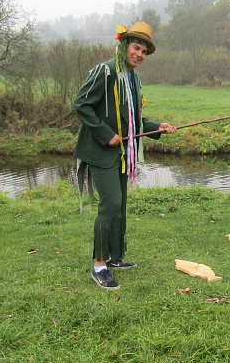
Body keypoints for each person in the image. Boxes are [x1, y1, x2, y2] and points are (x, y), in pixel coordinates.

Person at [73, 22, 177, 290]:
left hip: (121, 153)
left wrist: (157, 127)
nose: (139, 54)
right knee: (110, 204)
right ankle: (99, 267)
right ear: (125, 45)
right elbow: (82, 104)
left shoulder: (133, 80)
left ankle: (113, 257)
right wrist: (105, 133)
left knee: (119, 206)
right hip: (99, 151)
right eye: (136, 47)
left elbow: (132, 122)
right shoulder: (106, 71)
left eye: (144, 51)